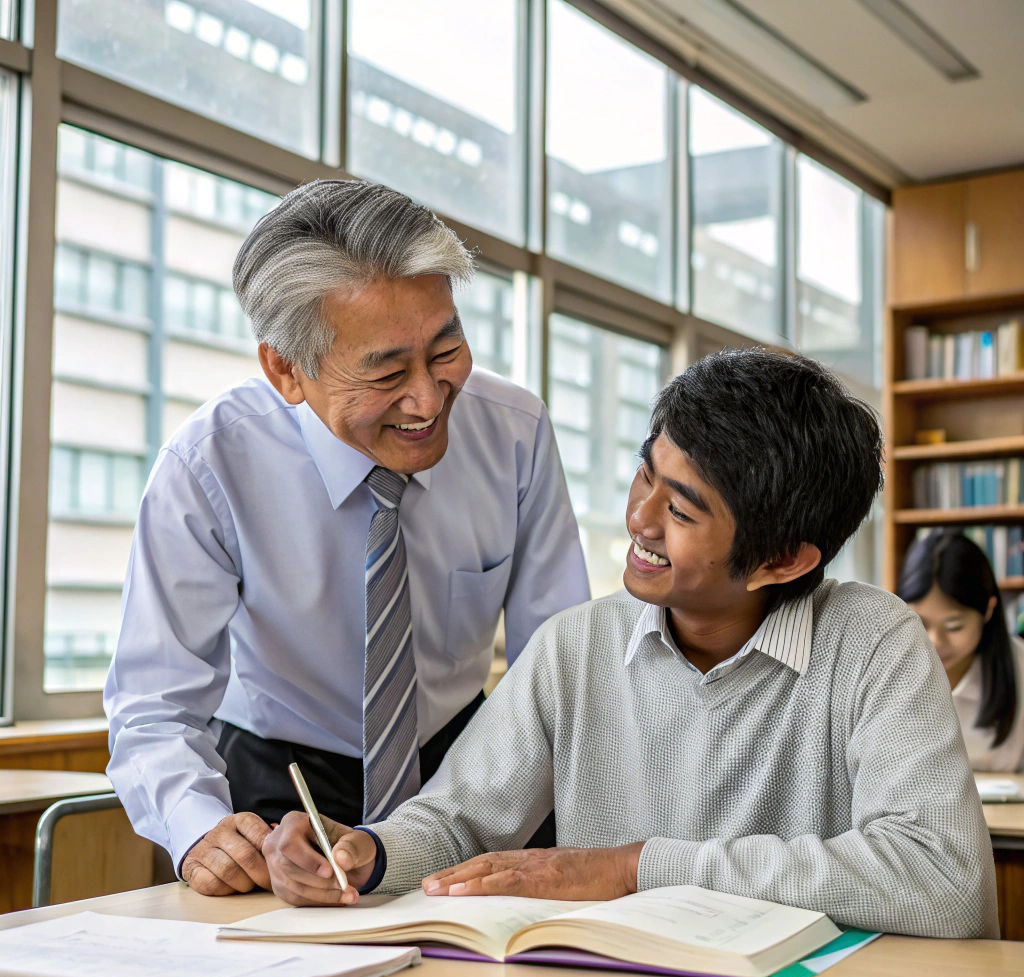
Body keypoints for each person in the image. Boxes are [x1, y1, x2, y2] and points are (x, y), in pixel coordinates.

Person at [264, 349, 998, 939]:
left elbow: (941, 881)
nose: (640, 518)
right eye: (647, 473)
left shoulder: (874, 641)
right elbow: (458, 820)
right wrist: (371, 852)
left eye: (680, 508)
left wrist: (637, 868)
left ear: (783, 561)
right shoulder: (576, 648)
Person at [104, 180, 589, 897]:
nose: (427, 401)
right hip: (283, 781)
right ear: (285, 370)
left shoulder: (513, 432)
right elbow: (154, 699)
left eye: (447, 349)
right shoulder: (211, 464)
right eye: (387, 372)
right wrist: (198, 827)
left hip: (465, 765)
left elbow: (561, 660)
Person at [898, 529, 1024, 772]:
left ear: (988, 610)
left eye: (954, 626)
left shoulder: (1020, 669)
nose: (934, 641)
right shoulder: (882, 670)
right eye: (920, 622)